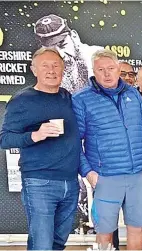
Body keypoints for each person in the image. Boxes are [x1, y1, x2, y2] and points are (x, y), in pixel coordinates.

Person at [0, 47, 80, 250]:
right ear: (34, 70)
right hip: (39, 182)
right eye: (45, 66)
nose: (51, 70)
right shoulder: (22, 100)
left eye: (56, 65)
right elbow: (4, 139)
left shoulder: (67, 97)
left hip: (70, 182)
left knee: (58, 243)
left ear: (63, 69)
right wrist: (36, 135)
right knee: (42, 245)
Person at [72, 49, 142, 250]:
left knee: (137, 227)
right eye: (101, 70)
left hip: (137, 175)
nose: (106, 74)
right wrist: (88, 173)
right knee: (104, 230)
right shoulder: (81, 99)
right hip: (105, 177)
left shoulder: (133, 94)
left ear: (118, 69)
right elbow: (74, 142)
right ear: (93, 72)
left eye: (111, 69)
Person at [34, 14, 103, 94]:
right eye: (52, 50)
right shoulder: (46, 75)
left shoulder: (100, 57)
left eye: (62, 44)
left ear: (74, 36)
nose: (61, 54)